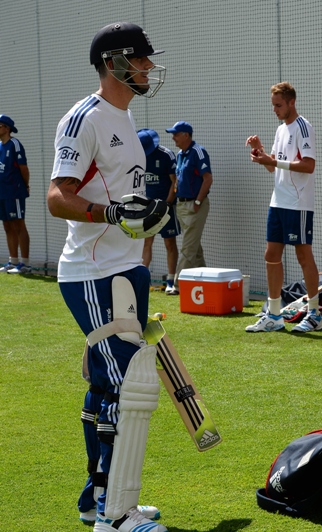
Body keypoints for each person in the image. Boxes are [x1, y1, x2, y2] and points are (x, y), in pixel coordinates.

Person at [46, 22, 170, 532]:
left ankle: (95, 498)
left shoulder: (124, 115)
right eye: (141, 60)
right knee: (128, 386)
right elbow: (58, 197)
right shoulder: (85, 118)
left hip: (122, 269)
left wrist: (144, 216)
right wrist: (115, 215)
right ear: (115, 61)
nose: (147, 68)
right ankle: (114, 515)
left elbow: (122, 201)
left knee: (106, 385)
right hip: (94, 272)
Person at [245, 82, 322, 333]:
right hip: (278, 202)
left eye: (279, 105)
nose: (275, 110)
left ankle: (314, 315)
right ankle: (275, 315)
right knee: (271, 255)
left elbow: (308, 165)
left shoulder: (304, 127)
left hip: (298, 203)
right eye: (273, 105)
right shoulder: (280, 130)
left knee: (303, 256)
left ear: (291, 102)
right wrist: (261, 153)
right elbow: (273, 166)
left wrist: (273, 160)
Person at [169, 120, 212, 287]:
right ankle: (207, 280)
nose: (173, 138)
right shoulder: (180, 155)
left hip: (195, 206)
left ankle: (178, 285)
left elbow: (207, 179)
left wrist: (198, 201)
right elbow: (178, 180)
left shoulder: (198, 152)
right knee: (194, 247)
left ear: (186, 135)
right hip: (181, 205)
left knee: (188, 247)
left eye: (176, 134)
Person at [138, 128, 180, 294]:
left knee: (169, 242)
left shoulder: (166, 155)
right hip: (147, 207)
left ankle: (171, 281)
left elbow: (175, 181)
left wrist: (168, 203)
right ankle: (143, 279)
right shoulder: (137, 155)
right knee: (146, 241)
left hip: (166, 207)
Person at [0, 114, 31, 274]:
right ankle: (13, 261)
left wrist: (25, 186)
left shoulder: (15, 144)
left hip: (14, 191)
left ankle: (24, 264)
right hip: (2, 193)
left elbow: (24, 169)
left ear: (7, 128)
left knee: (19, 225)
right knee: (7, 225)